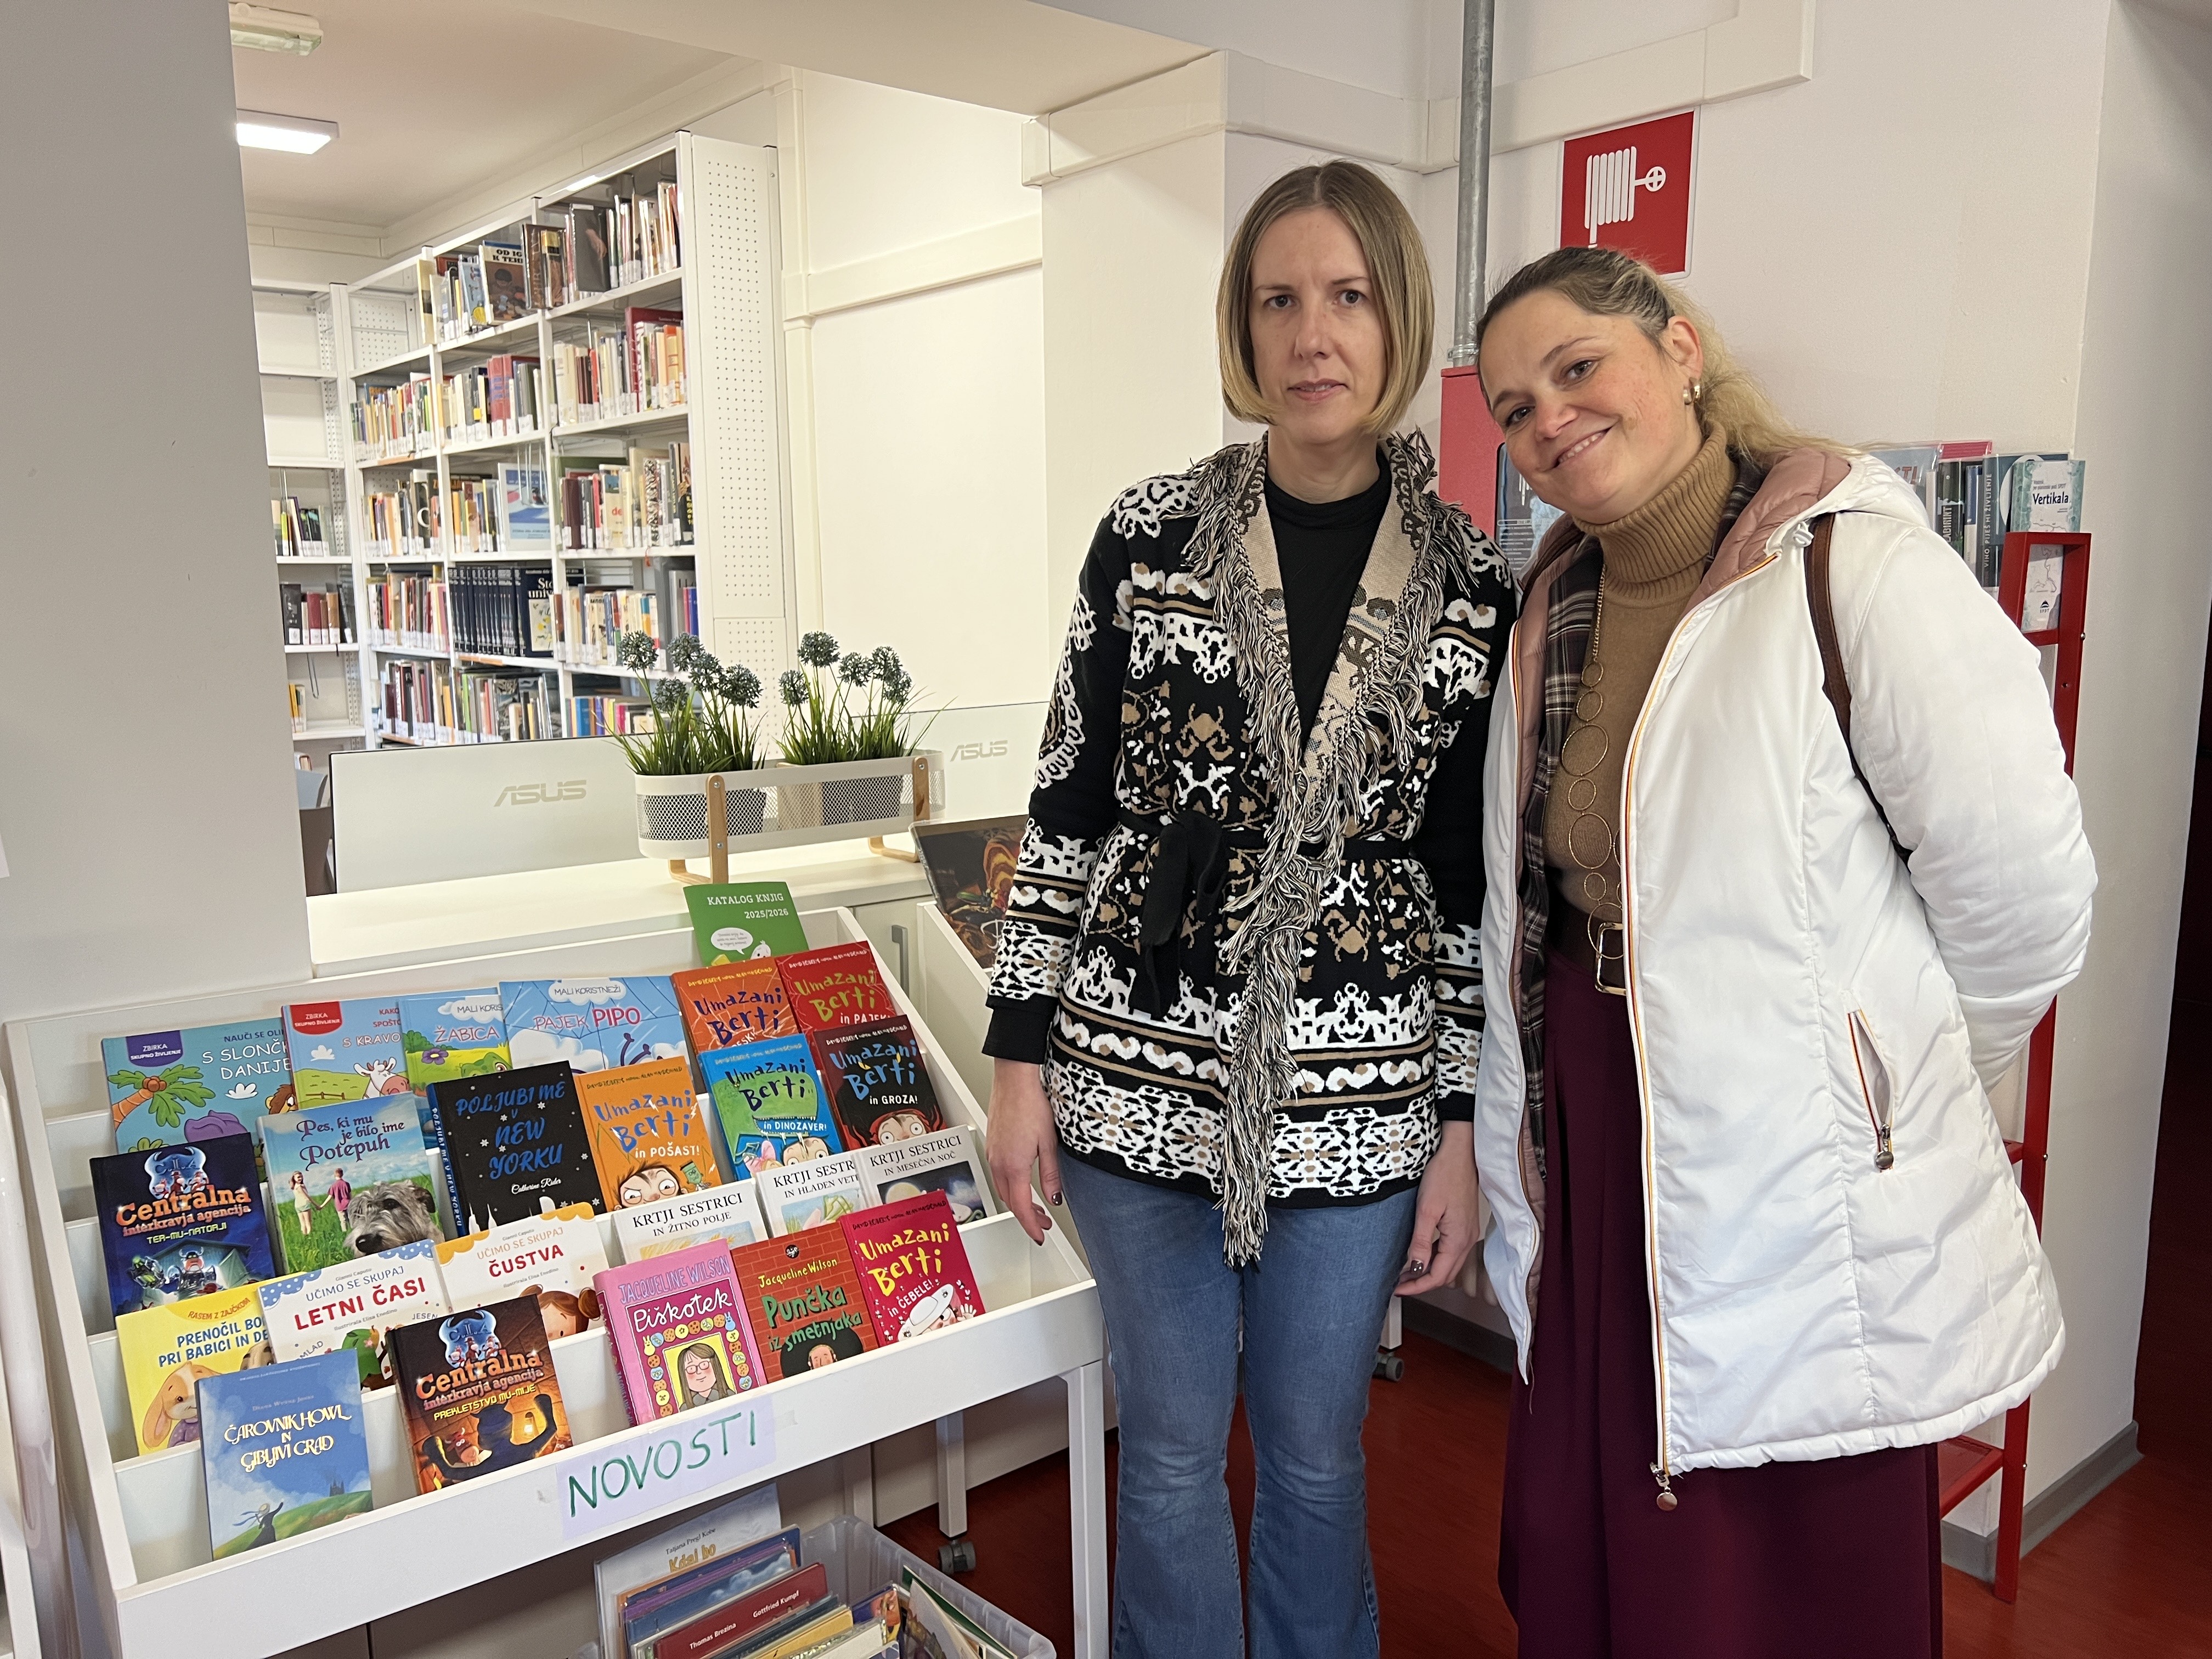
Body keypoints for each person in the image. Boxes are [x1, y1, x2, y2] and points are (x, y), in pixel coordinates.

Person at [1468, 246, 2096, 1657]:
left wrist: (1874, 1077)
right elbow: (1524, 899)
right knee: (1602, 1506)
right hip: (1594, 1102)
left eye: (1578, 369)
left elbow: (2026, 897)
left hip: (1790, 1152)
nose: (1549, 420)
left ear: (1681, 349)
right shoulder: (1545, 611)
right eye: (1514, 407)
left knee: (1785, 1546)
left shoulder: (1851, 565)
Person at [983, 160, 1515, 1659]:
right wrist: (1020, 1065)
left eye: (1347, 296)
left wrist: (1461, 1129)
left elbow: (1460, 886)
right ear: (1244, 324)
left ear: (1396, 318)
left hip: (1358, 1095)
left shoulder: (1474, 581)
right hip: (1136, 1073)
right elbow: (1068, 806)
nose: (1312, 335)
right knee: (1162, 1456)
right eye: (1278, 299)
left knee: (1319, 1456)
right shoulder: (1149, 535)